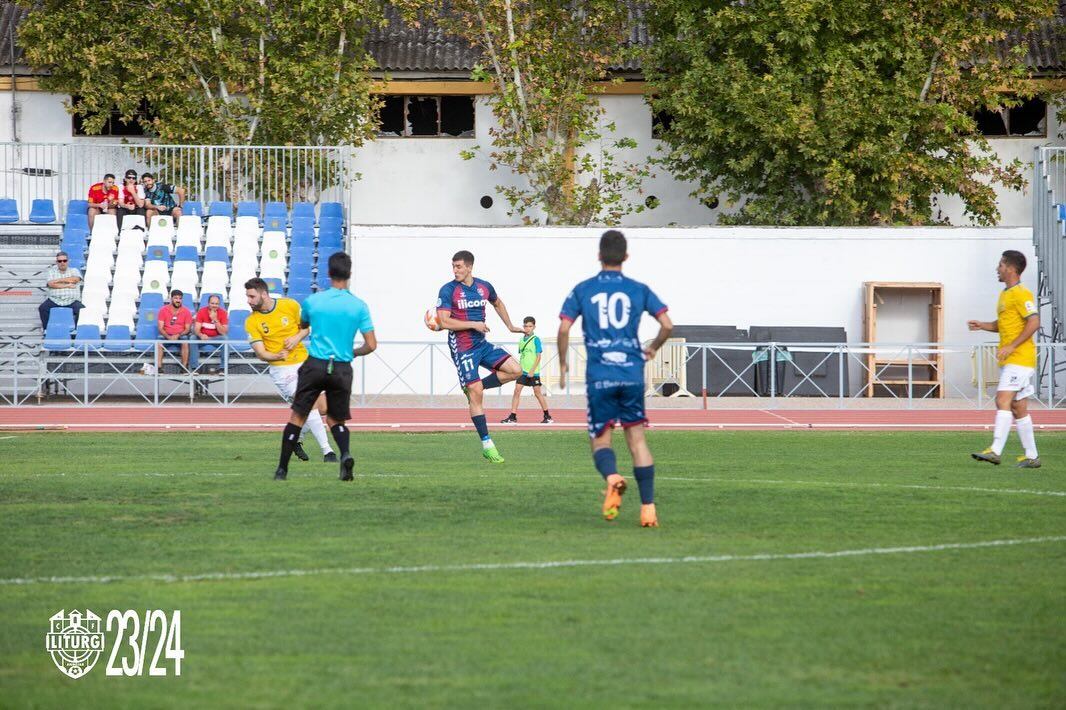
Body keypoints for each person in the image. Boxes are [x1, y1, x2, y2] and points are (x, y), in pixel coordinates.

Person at [557, 230, 673, 527]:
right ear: (626, 257)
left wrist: (562, 363)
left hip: (601, 375)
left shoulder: (583, 289)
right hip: (632, 373)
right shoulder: (639, 289)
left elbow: (564, 329)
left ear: (599, 256)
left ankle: (612, 477)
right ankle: (648, 509)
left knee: (600, 440)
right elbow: (667, 325)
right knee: (637, 440)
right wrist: (652, 349)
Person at [271, 254, 375, 481]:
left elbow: (304, 324)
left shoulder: (313, 302)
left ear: (328, 273)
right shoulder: (359, 305)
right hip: (341, 367)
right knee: (336, 419)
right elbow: (371, 345)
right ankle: (345, 454)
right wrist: (352, 352)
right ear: (349, 274)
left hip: (315, 364)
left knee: (298, 417)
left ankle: (282, 470)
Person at [436, 250, 524, 463]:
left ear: (469, 267)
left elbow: (498, 303)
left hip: (481, 344)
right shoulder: (448, 290)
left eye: (458, 266)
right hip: (463, 347)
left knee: (516, 370)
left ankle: (475, 387)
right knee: (476, 393)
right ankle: (487, 444)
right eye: (453, 266)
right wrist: (473, 324)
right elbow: (444, 322)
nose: (455, 270)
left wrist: (510, 326)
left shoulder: (484, 286)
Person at [244, 278, 337, 464]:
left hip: (304, 361)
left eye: (252, 296)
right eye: (247, 296)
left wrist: (296, 338)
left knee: (325, 407)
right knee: (309, 403)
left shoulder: (290, 305)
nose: (248, 300)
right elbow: (261, 354)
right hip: (282, 369)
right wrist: (278, 355)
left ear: (263, 294)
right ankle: (328, 452)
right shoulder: (252, 322)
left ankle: (296, 438)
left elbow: (307, 328)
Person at [968, 250, 1041, 468]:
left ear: (1011, 268)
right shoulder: (1005, 294)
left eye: (1000, 265)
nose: (997, 269)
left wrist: (1012, 346)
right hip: (1011, 360)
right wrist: (982, 325)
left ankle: (995, 450)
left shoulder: (1022, 293)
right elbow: (1004, 325)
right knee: (1018, 408)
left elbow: (1034, 322)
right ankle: (1032, 456)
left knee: (1002, 400)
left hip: (1020, 358)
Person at [501, 316, 553, 424]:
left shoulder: (536, 339)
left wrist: (532, 371)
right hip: (522, 371)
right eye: (526, 326)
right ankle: (513, 416)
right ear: (523, 327)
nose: (528, 328)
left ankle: (547, 416)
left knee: (537, 393)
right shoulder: (521, 340)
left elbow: (538, 357)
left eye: (530, 326)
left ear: (534, 327)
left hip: (533, 372)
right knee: (517, 391)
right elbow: (523, 356)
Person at [144, 289, 196, 375]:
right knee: (159, 342)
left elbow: (187, 329)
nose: (178, 300)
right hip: (166, 335)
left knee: (185, 341)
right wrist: (168, 337)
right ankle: (159, 368)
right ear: (171, 299)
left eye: (180, 298)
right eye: (176, 298)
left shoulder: (186, 311)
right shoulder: (163, 310)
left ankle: (184, 368)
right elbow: (160, 328)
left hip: (180, 335)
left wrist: (177, 335)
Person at [39, 251, 83, 329]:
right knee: (42, 308)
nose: (62, 263)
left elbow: (75, 279)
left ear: (68, 261)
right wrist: (67, 285)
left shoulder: (74, 270)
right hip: (54, 300)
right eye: (60, 261)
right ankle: (47, 330)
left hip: (72, 300)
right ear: (56, 262)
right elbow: (50, 284)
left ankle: (77, 331)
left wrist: (57, 280)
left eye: (64, 260)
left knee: (82, 310)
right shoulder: (51, 271)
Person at [194, 294, 229, 374]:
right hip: (203, 338)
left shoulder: (223, 313)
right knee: (193, 338)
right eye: (212, 303)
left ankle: (222, 368)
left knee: (225, 339)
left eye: (216, 304)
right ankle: (195, 368)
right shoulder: (201, 311)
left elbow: (223, 332)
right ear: (208, 303)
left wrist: (215, 319)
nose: (214, 305)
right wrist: (201, 335)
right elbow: (196, 329)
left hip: (216, 338)